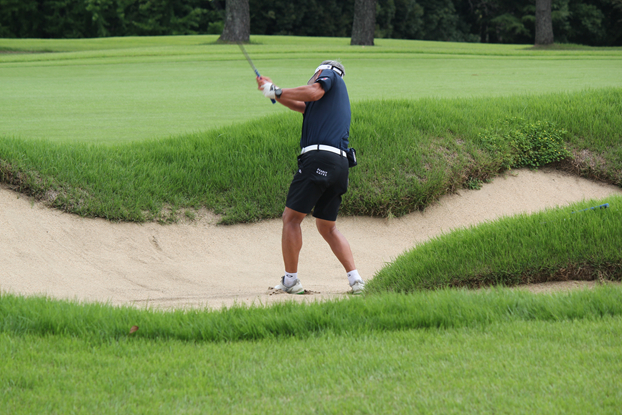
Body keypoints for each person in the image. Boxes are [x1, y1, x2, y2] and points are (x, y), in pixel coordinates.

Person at [256, 60, 365, 295]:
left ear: (320, 72)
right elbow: (301, 105)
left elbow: (313, 92)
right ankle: (356, 280)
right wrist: (272, 92)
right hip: (340, 165)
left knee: (291, 218)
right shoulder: (333, 100)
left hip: (318, 159)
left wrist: (277, 90)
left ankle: (291, 281)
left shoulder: (329, 74)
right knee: (328, 227)